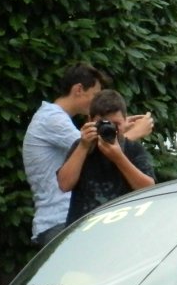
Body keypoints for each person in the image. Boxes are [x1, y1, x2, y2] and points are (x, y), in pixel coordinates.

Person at [21, 63, 153, 245]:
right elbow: (100, 148)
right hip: (60, 220)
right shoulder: (52, 119)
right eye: (94, 95)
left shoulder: (52, 116)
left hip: (77, 221)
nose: (96, 101)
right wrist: (134, 132)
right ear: (79, 89)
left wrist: (119, 127)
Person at [64, 89, 157, 223]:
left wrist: (119, 158)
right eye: (103, 124)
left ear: (125, 122)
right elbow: (64, 185)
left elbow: (148, 189)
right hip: (83, 228)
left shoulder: (133, 149)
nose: (110, 129)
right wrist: (83, 146)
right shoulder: (82, 146)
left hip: (123, 227)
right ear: (90, 121)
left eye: (116, 124)